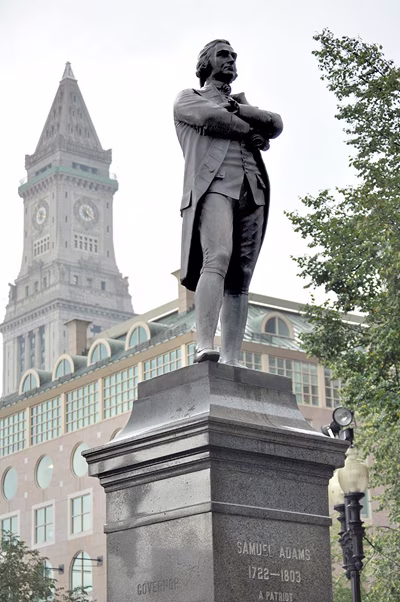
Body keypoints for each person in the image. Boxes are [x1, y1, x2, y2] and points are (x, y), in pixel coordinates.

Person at [174, 39, 283, 365]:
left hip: (253, 189)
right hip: (215, 186)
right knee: (217, 257)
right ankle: (204, 343)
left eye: (234, 56)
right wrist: (249, 129)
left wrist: (243, 111)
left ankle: (233, 359)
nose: (231, 61)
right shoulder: (188, 98)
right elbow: (211, 119)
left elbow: (275, 123)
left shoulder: (240, 104)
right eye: (223, 55)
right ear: (206, 62)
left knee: (241, 277)